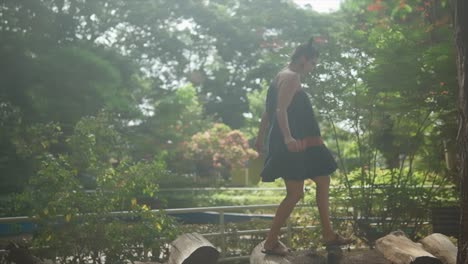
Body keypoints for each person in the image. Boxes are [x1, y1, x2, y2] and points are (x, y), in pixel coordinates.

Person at [254, 38, 353, 256]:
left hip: (303, 141)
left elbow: (267, 111)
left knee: (322, 179)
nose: (313, 68)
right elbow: (279, 110)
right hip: (292, 141)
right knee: (295, 192)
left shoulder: (281, 75)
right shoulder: (291, 77)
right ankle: (270, 241)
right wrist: (288, 138)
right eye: (313, 63)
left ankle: (328, 234)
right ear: (303, 59)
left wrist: (260, 137)